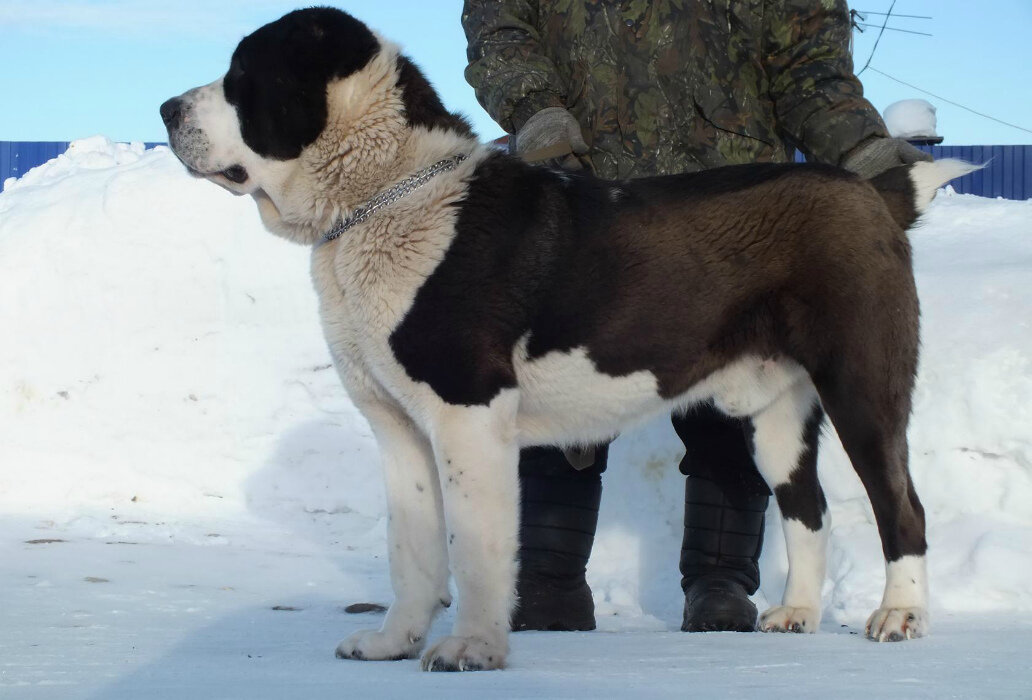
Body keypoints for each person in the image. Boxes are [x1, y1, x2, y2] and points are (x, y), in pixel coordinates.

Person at [461, 0, 931, 633]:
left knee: (736, 422)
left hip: (735, 210)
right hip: (585, 186)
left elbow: (809, 66)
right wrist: (536, 112)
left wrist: (865, 151)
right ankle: (546, 579)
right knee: (553, 384)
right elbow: (499, 21)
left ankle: (720, 580)